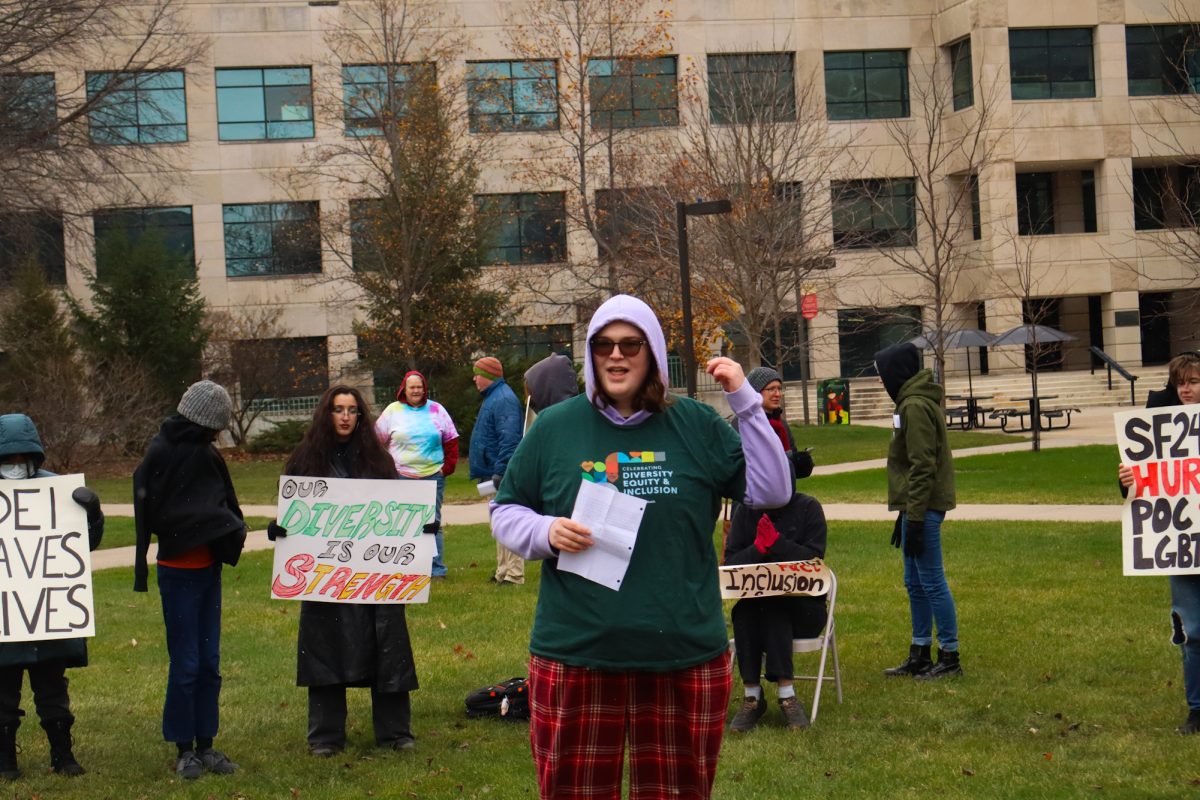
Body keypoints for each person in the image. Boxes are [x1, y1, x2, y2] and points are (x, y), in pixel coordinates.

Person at [492, 294, 791, 800]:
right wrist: (544, 533)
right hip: (577, 652)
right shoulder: (555, 428)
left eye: (631, 344)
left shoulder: (694, 424)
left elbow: (773, 490)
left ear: (651, 352)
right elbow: (506, 509)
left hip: (681, 654)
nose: (616, 355)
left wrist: (745, 401)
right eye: (603, 344)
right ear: (590, 355)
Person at [267, 385, 418, 755]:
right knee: (325, 650)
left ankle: (396, 732)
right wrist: (280, 529)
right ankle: (325, 736)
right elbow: (295, 513)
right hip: (326, 579)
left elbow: (396, 514)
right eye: (338, 409)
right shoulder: (306, 461)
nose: (346, 416)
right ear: (327, 414)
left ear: (361, 417)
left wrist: (418, 527)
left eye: (353, 410)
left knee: (387, 646)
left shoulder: (379, 462)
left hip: (374, 578)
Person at [133, 380, 246, 779]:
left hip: (207, 572)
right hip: (178, 574)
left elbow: (224, 503)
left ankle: (207, 744)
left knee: (209, 662)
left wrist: (228, 531)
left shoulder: (209, 457)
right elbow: (153, 506)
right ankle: (184, 748)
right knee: (186, 662)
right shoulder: (162, 452)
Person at [0, 414, 104, 779]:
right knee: (2, 693)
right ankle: (5, 761)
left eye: (21, 459)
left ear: (35, 456)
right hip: (6, 617)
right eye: (7, 460)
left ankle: (63, 754)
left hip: (49, 618)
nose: (15, 467)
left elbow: (84, 545)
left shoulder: (58, 491)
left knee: (52, 690)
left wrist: (91, 514)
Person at [1118, 351, 1200, 734]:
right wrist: (1128, 479)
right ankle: (1197, 708)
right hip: (1183, 546)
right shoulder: (1158, 428)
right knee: (1192, 627)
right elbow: (1143, 491)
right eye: (1180, 382)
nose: (1186, 388)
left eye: (1194, 381)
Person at [874, 342, 961, 680]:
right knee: (914, 581)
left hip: (924, 508)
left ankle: (950, 655)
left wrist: (914, 515)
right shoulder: (912, 402)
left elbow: (923, 465)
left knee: (931, 581)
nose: (882, 382)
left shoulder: (912, 405)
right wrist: (904, 512)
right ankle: (920, 652)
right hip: (915, 506)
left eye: (883, 375)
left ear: (896, 373)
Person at [724, 493, 827, 733]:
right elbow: (731, 563)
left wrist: (778, 543)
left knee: (775, 606)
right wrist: (758, 549)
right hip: (755, 610)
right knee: (745, 610)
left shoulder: (809, 507)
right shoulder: (744, 511)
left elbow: (815, 561)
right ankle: (752, 697)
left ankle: (786, 694)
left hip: (805, 609)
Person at [375, 371, 458, 578]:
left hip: (432, 475)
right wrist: (385, 468)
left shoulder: (437, 410)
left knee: (433, 524)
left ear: (424, 388)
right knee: (403, 522)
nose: (416, 391)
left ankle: (436, 569)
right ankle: (406, 567)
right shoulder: (393, 411)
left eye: (419, 387)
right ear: (404, 388)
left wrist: (446, 468)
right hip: (402, 476)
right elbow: (376, 440)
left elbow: (451, 440)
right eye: (412, 387)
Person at [468, 356, 525, 585]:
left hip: (500, 473)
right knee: (498, 525)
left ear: (489, 376)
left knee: (508, 522)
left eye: (477, 374)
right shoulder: (493, 398)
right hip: (492, 472)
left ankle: (514, 574)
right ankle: (502, 571)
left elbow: (510, 439)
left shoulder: (504, 400)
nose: (474, 378)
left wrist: (501, 472)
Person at [743, 366, 814, 480]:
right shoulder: (744, 423)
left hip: (783, 491)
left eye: (779, 389)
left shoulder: (781, 424)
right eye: (771, 389)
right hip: (754, 493)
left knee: (809, 499)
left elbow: (791, 465)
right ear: (756, 392)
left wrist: (802, 462)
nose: (777, 394)